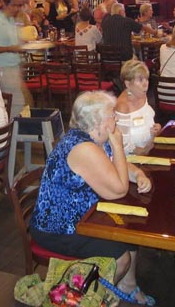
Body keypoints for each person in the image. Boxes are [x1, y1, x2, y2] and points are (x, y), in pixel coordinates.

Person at [30, 91, 155, 306]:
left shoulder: (94, 138)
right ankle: (88, 299)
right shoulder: (83, 148)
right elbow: (118, 190)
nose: (115, 120)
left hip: (84, 217)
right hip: (58, 228)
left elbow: (118, 165)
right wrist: (118, 145)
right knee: (120, 258)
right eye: (112, 115)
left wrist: (138, 175)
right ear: (97, 122)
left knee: (130, 231)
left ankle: (127, 286)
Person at [115, 60, 161, 155]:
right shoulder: (122, 106)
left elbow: (146, 120)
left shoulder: (142, 95)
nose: (145, 84)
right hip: (132, 157)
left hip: (150, 148)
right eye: (140, 80)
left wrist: (156, 129)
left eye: (146, 79)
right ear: (128, 84)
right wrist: (143, 151)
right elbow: (122, 144)